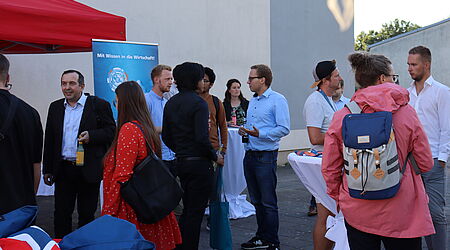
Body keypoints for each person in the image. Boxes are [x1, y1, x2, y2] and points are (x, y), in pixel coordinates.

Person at [322, 52, 435, 250]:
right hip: (402, 209)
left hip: (357, 205)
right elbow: (425, 162)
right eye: (393, 76)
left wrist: (339, 197)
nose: (395, 80)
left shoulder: (343, 115)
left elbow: (330, 168)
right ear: (382, 78)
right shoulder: (406, 112)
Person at [102, 81, 182, 250]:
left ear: (124, 102)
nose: (116, 105)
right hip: (148, 203)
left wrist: (108, 213)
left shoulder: (129, 129)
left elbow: (122, 176)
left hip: (132, 208)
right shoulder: (144, 127)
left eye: (116, 101)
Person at [43, 70, 115, 238]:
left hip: (88, 168)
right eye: (64, 83)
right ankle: (61, 244)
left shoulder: (99, 105)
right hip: (63, 169)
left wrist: (93, 136)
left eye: (72, 83)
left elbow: (112, 131)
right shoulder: (55, 107)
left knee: (87, 214)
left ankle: (85, 245)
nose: (67, 88)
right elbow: (51, 139)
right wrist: (48, 168)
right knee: (61, 213)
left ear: (82, 86)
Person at [162, 62, 224, 250]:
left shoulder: (171, 102)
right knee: (195, 213)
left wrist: (181, 149)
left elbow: (166, 135)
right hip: (199, 164)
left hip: (181, 161)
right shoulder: (199, 103)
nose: (202, 83)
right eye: (200, 78)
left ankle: (181, 245)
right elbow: (201, 138)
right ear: (194, 80)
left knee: (188, 210)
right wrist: (214, 156)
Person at [239, 64, 290, 250]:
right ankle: (261, 237)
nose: (248, 81)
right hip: (250, 153)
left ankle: (272, 242)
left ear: (263, 80)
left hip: (265, 156)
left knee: (268, 202)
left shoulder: (278, 100)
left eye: (251, 78)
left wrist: (259, 134)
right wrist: (245, 132)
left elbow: (284, 128)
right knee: (256, 201)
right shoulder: (253, 100)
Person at [407, 45, 450, 250]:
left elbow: (446, 128)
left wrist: (442, 159)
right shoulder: (405, 95)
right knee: (413, 214)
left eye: (414, 64)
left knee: (436, 214)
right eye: (408, 64)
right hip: (409, 163)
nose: (409, 68)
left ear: (427, 65)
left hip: (433, 161)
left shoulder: (442, 92)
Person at [303, 60, 343, 249]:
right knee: (325, 215)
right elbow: (314, 137)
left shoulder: (329, 100)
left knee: (332, 215)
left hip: (332, 163)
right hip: (322, 164)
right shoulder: (315, 101)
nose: (340, 78)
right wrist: (343, 135)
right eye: (336, 75)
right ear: (326, 80)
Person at [0, 54, 43, 215]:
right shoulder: (30, 112)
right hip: (20, 209)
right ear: (8, 76)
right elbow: (36, 166)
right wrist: (29, 203)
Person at [144, 64, 176, 176]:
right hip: (156, 156)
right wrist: (167, 128)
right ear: (156, 80)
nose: (171, 82)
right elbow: (142, 128)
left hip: (171, 156)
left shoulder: (166, 102)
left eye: (171, 79)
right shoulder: (146, 100)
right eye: (167, 79)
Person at [199, 67, 228, 156]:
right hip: (195, 150)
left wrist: (223, 148)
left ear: (211, 84)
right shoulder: (191, 101)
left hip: (213, 148)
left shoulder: (216, 102)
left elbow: (223, 125)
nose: (202, 83)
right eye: (200, 80)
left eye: (205, 81)